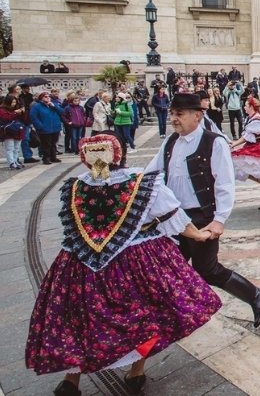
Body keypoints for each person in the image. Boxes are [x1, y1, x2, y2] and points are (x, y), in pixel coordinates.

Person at [26, 134, 221, 396]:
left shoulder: (76, 186)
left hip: (80, 265)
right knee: (149, 315)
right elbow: (172, 216)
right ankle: (136, 373)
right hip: (135, 262)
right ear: (121, 153)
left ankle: (71, 381)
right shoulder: (141, 183)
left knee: (79, 319)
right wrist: (200, 235)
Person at [145, 93, 260, 328]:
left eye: (179, 114)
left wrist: (219, 219)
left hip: (202, 217)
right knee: (170, 267)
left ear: (197, 116)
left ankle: (255, 295)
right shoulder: (170, 142)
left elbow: (224, 183)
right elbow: (152, 173)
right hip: (174, 217)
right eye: (172, 114)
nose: (174, 119)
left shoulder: (214, 142)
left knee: (207, 269)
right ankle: (174, 315)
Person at [30, 91, 64, 165]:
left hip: (55, 127)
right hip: (45, 128)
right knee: (46, 144)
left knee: (53, 143)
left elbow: (62, 112)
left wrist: (54, 106)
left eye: (49, 96)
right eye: (45, 96)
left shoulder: (53, 104)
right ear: (41, 98)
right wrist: (40, 126)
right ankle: (46, 158)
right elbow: (33, 117)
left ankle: (53, 157)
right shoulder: (37, 106)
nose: (48, 98)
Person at [0, 95, 26, 169]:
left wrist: (23, 112)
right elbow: (6, 118)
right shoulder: (2, 109)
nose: (14, 104)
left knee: (16, 148)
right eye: (12, 102)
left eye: (15, 102)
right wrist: (15, 113)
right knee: (10, 147)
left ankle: (15, 161)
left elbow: (24, 119)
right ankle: (11, 163)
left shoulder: (16, 109)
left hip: (18, 129)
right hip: (8, 131)